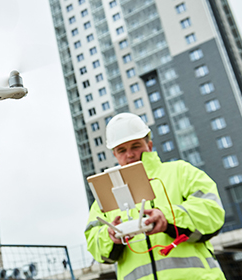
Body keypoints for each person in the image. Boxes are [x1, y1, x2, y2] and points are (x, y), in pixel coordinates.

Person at [85, 113, 226, 280]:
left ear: (149, 145)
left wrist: (167, 217)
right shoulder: (106, 192)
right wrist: (109, 235)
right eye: (121, 150)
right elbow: (93, 242)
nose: (129, 154)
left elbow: (212, 211)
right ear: (115, 155)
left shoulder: (180, 171)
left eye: (135, 146)